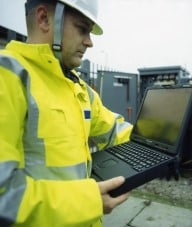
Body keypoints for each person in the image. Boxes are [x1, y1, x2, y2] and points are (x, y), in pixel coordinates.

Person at [0, 0, 133, 226]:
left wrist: (156, 141)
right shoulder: (9, 75)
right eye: (82, 29)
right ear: (44, 19)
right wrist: (89, 201)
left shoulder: (78, 88)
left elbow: (114, 131)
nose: (90, 42)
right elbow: (4, 197)